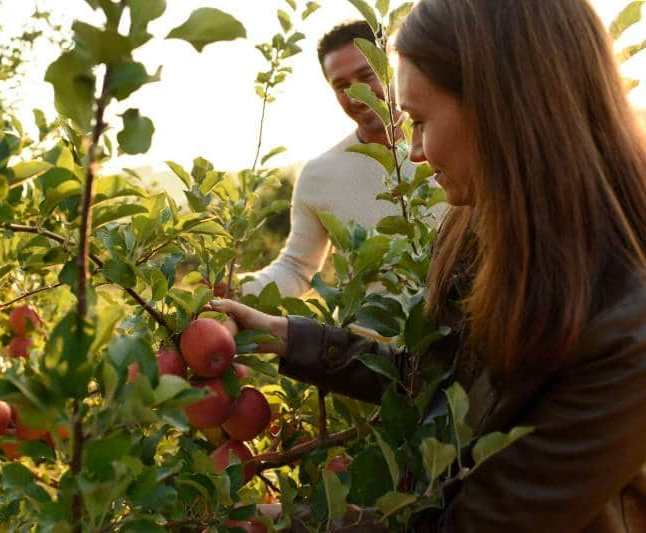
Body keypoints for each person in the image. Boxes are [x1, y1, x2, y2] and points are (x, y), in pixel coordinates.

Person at [213, 0, 646, 531]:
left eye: (417, 120)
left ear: (503, 109)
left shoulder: (628, 329)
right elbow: (435, 379)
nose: (413, 151)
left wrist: (287, 524)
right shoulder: (475, 225)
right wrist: (285, 336)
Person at [240, 21, 406, 298]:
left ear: (395, 66)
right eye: (341, 86)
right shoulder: (320, 175)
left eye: (367, 75)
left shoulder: (452, 151)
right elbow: (295, 269)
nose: (355, 95)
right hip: (361, 341)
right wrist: (237, 288)